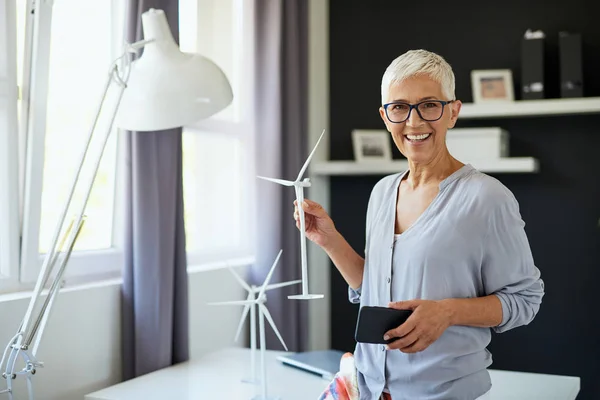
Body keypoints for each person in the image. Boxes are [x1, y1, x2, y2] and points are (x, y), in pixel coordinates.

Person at [294, 49, 545, 400]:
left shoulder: (488, 198)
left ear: (452, 112)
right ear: (385, 116)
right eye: (399, 107)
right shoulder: (382, 192)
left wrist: (447, 312)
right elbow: (375, 291)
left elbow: (525, 300)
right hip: (368, 389)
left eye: (429, 105)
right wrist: (329, 240)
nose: (414, 122)